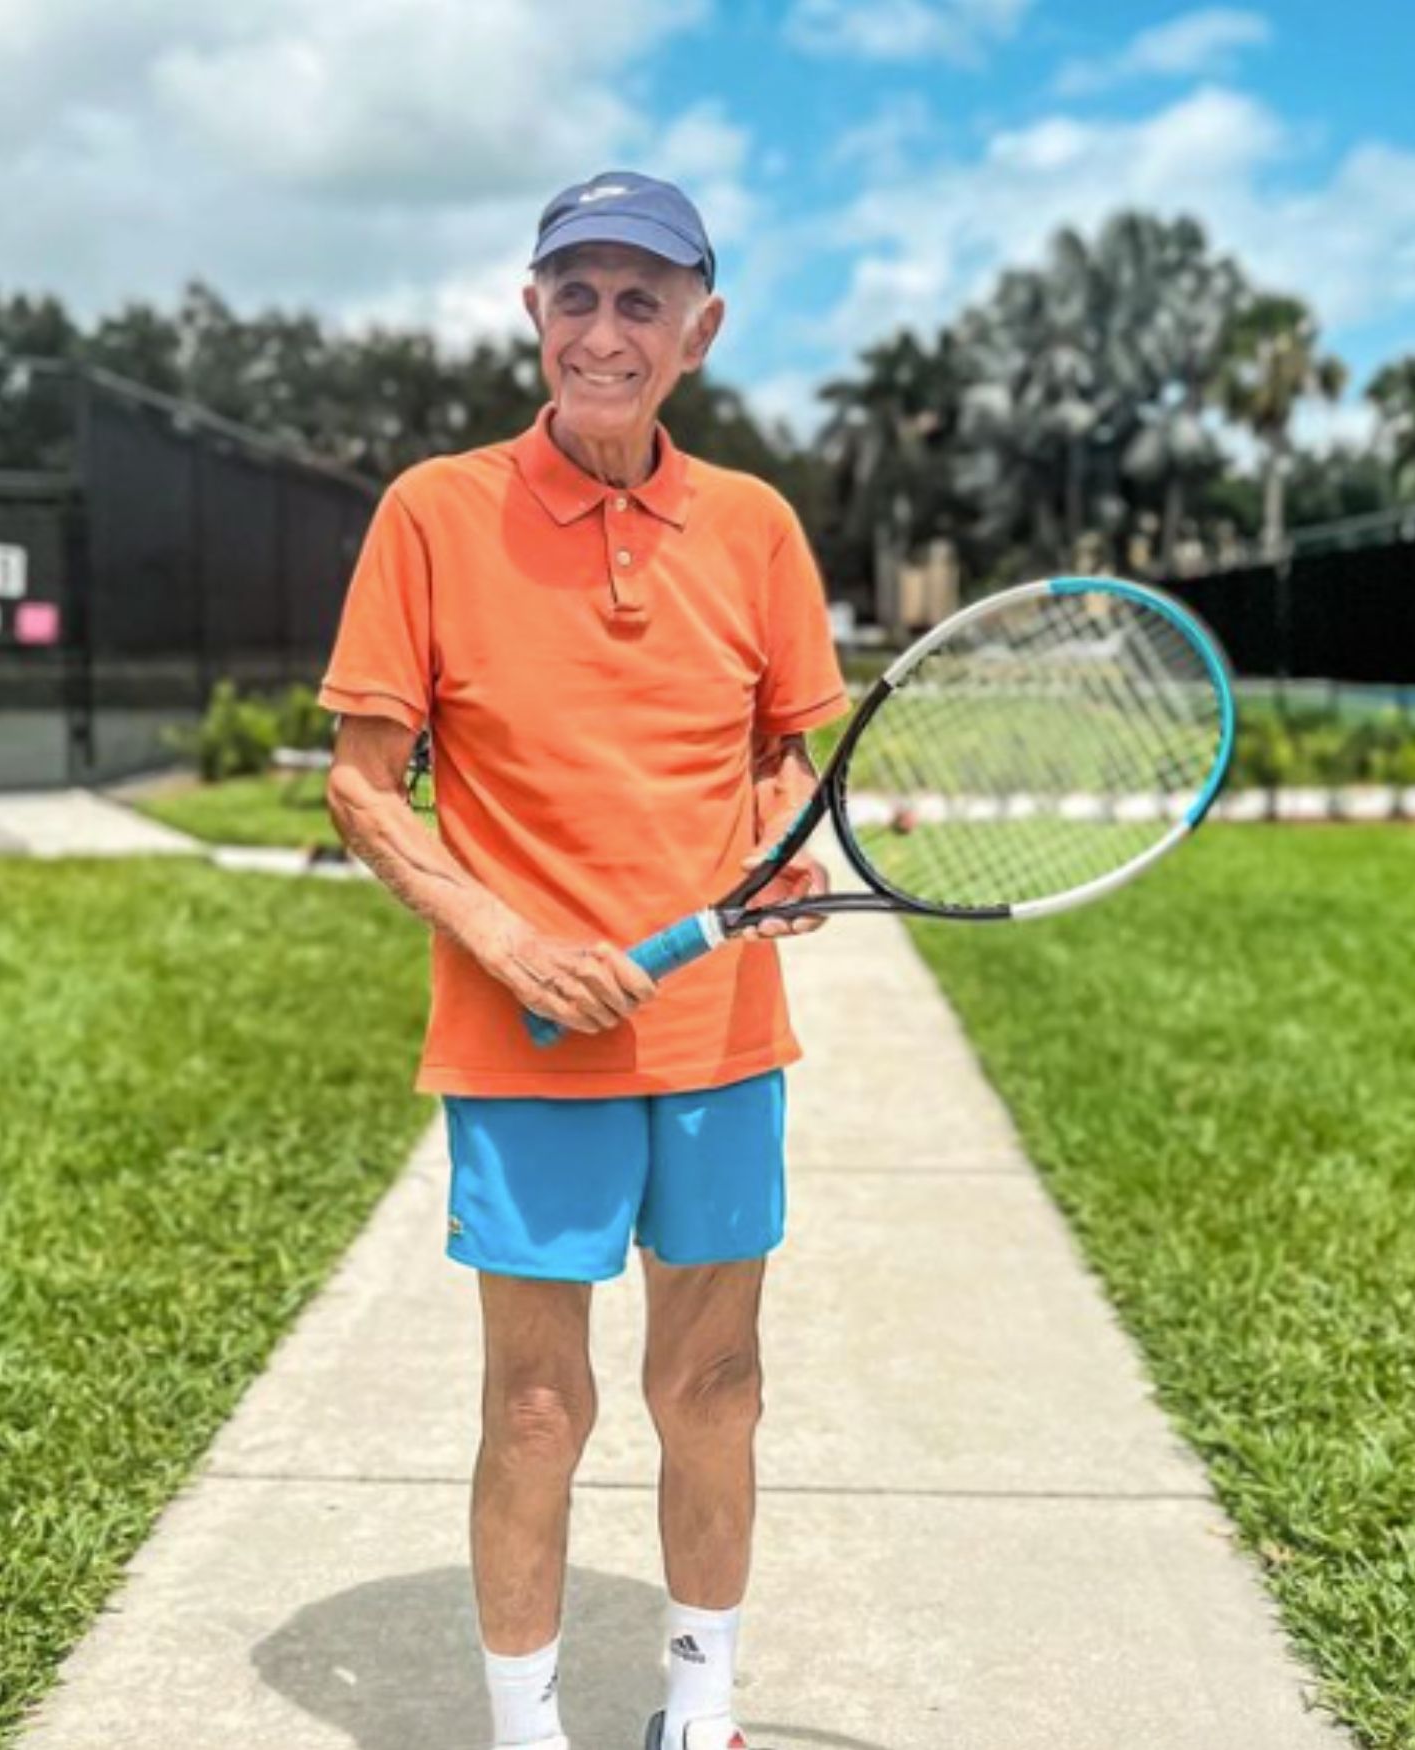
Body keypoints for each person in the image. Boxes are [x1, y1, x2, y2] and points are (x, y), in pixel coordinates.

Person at [320, 169, 849, 1750]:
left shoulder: (755, 526)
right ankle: (525, 1725)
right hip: (521, 1044)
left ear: (702, 327)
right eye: (577, 295)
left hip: (719, 1037)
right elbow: (361, 781)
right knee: (539, 1411)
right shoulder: (431, 511)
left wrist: (782, 851)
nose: (604, 331)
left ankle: (700, 1710)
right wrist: (510, 937)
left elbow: (791, 757)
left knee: (717, 1389)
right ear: (533, 310)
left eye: (641, 299)